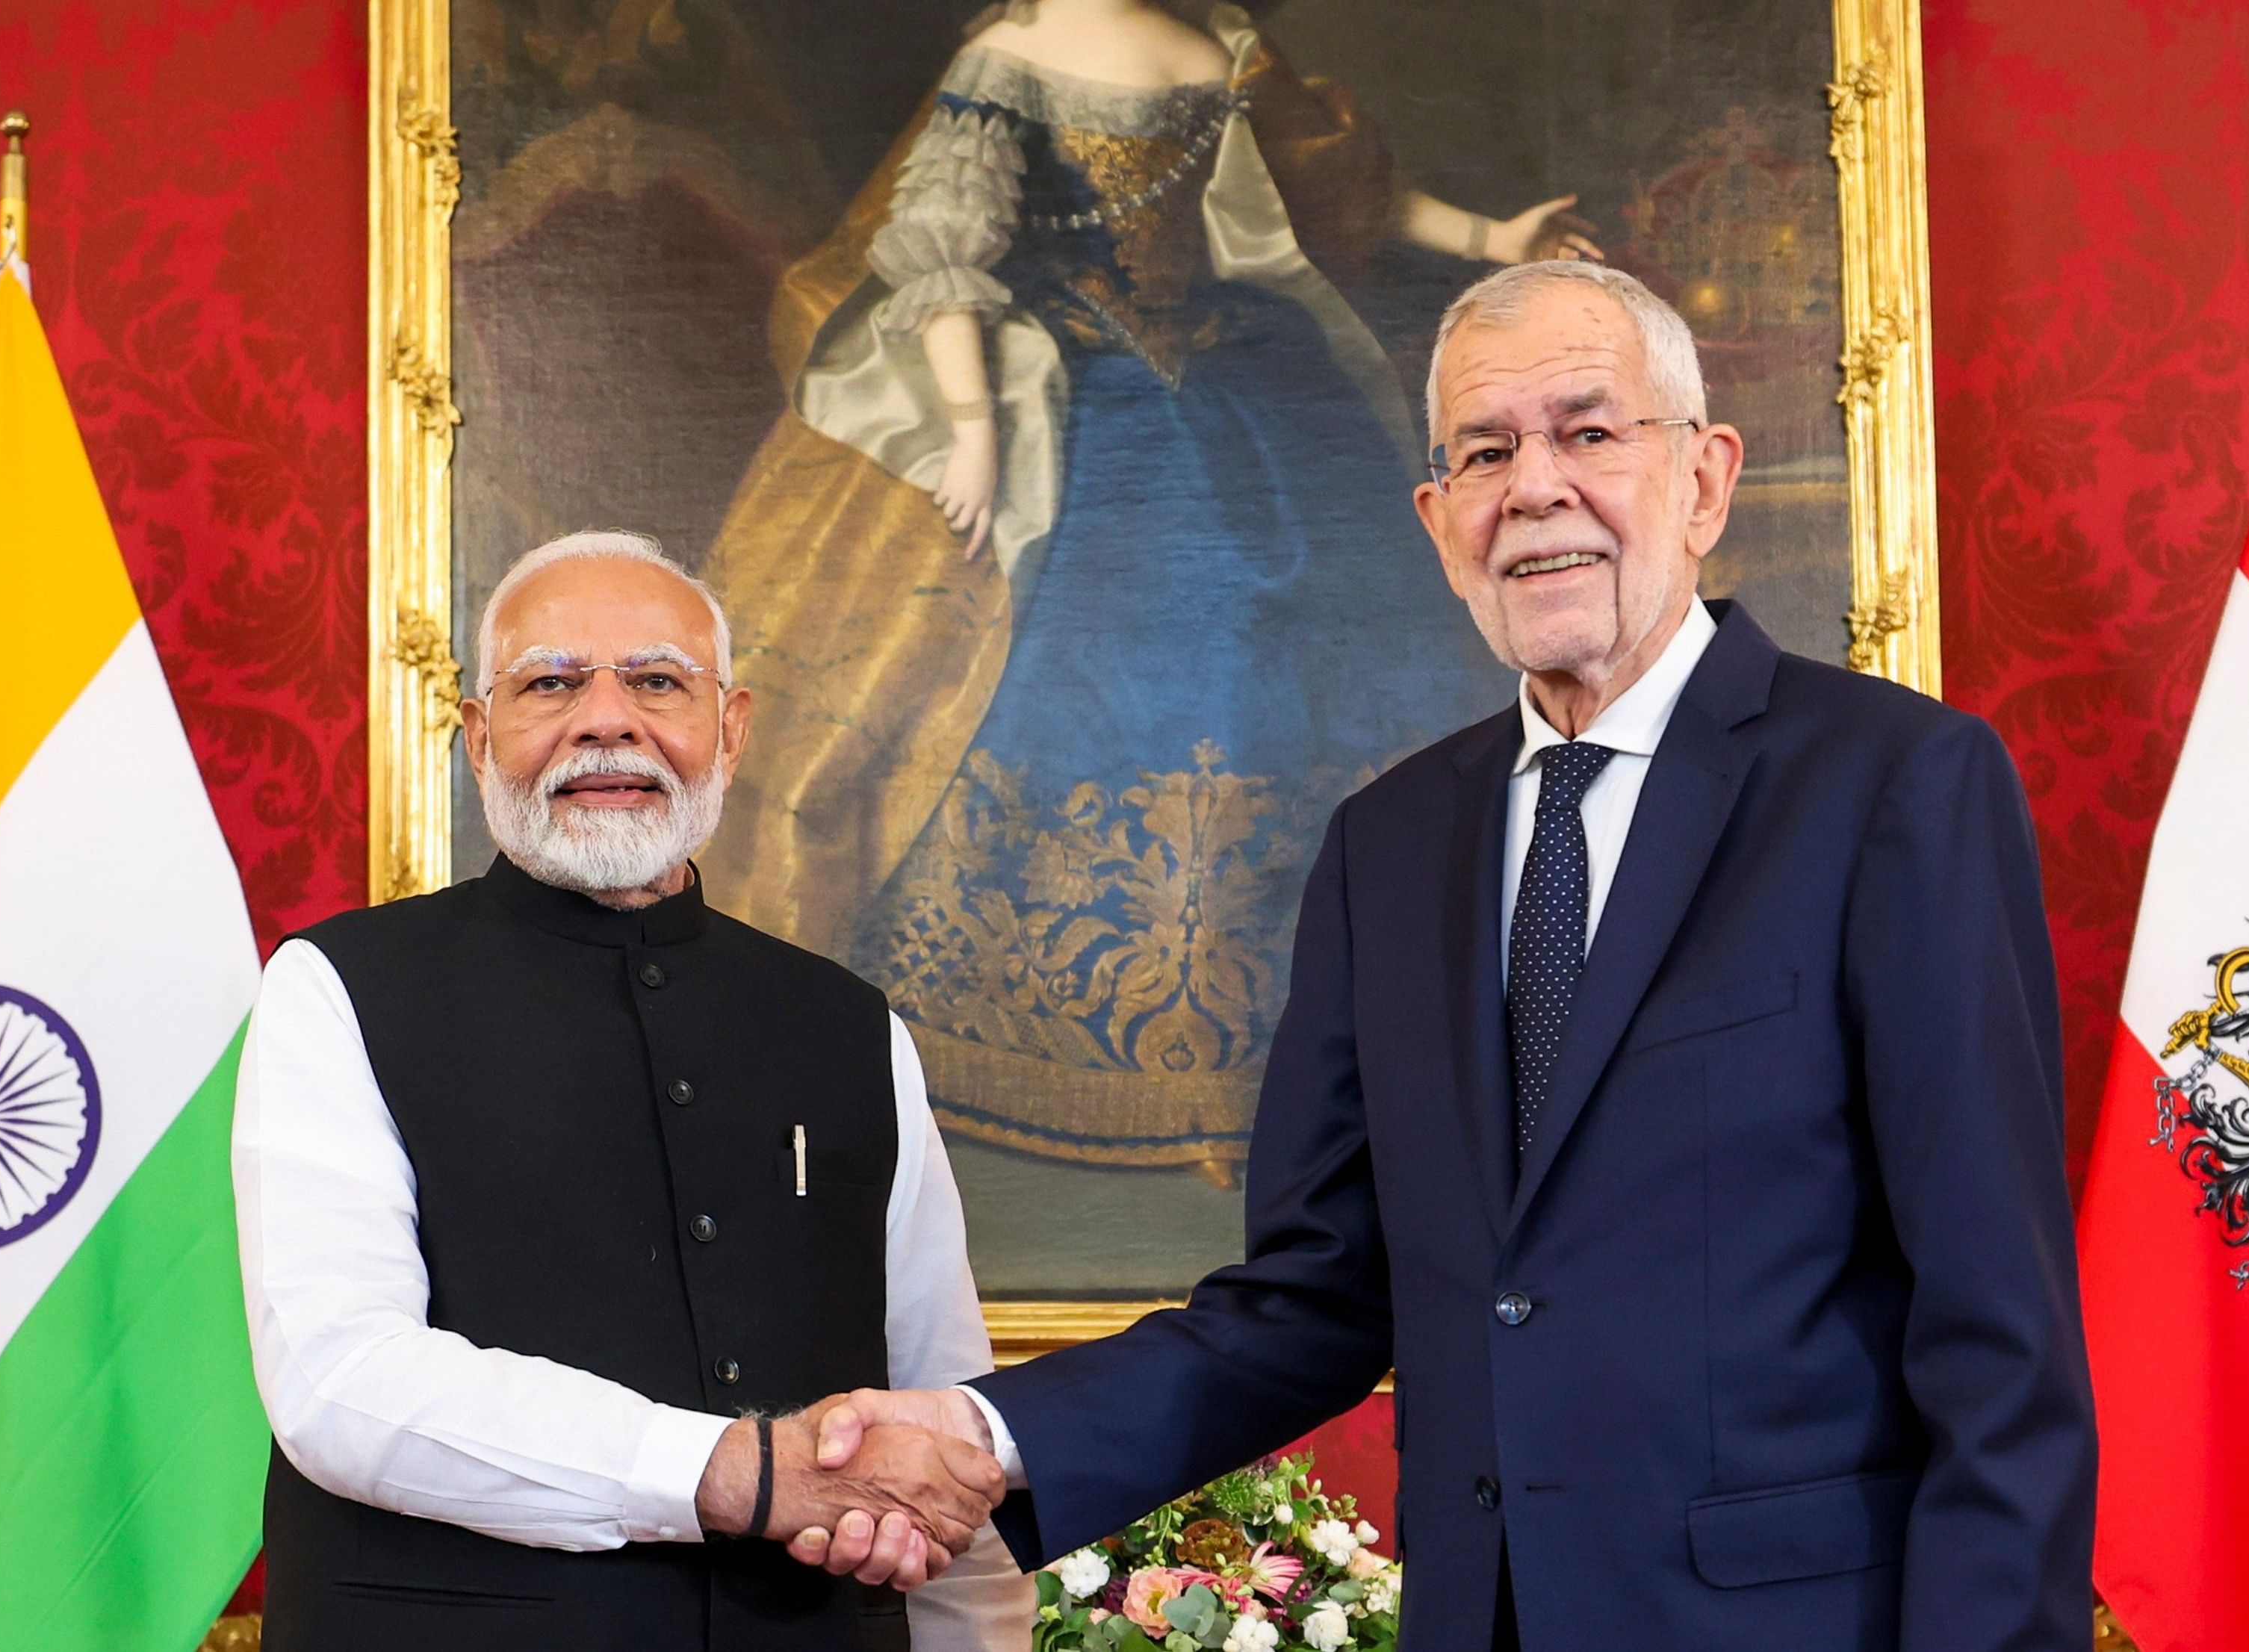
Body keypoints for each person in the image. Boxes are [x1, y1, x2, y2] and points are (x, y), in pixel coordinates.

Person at [795, 263, 2099, 1650]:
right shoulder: (1389, 844)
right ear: (1438, 522)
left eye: (1588, 432)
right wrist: (988, 1434)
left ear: (1704, 482)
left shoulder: (1893, 785)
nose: (1533, 485)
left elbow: (1996, 1337)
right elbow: (1316, 1296)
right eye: (1485, 451)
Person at [698, 0, 1598, 1179]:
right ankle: (1046, 1038)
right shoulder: (1013, 58)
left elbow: (1335, 190)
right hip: (1074, 396)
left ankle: (1280, 1056)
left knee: (1293, 643)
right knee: (1074, 649)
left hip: (1233, 383)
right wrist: (970, 431)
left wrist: (1491, 237)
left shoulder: (1209, 47)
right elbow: (945, 258)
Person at [231, 532, 1026, 1650]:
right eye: (550, 682)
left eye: (656, 681)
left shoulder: (849, 1025)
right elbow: (340, 1383)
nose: (606, 718)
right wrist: (734, 1473)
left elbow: (938, 1425)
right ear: (476, 738)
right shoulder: (337, 988)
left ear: (731, 731)